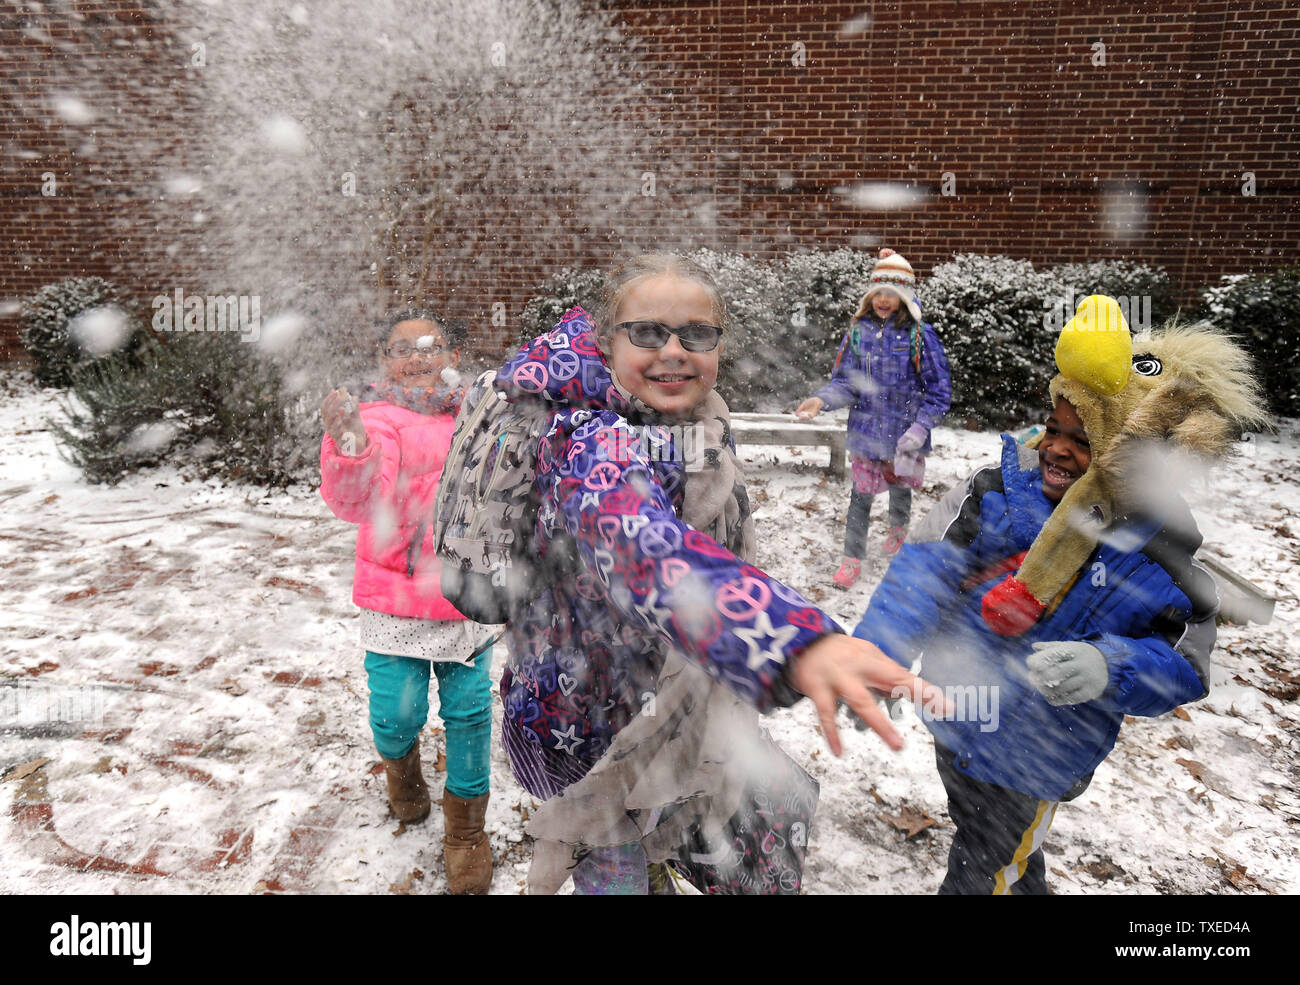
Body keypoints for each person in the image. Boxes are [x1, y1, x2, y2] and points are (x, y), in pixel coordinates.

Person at [493, 253, 942, 894]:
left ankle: (652, 862)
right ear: (605, 342)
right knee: (613, 866)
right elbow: (641, 544)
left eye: (696, 335)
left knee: (675, 838)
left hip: (669, 704)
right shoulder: (585, 437)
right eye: (647, 332)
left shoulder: (702, 423)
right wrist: (790, 640)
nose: (673, 351)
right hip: (585, 726)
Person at [852, 297, 1265, 894]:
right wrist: (878, 653)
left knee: (982, 872)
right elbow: (925, 571)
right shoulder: (996, 492)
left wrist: (1111, 665)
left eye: (1086, 438)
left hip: (1041, 755)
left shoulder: (1161, 547)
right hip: (955, 717)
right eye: (1054, 428)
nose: (1057, 448)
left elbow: (1186, 662)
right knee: (1001, 854)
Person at [319, 311, 494, 895]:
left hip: (468, 590)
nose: (418, 356)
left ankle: (466, 831)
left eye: (431, 345)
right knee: (397, 713)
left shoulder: (482, 412)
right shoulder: (379, 419)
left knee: (469, 714)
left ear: (453, 354)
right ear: (383, 361)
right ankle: (403, 774)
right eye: (402, 348)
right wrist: (352, 448)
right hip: (395, 595)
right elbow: (359, 500)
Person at [796, 249, 951, 589]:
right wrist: (821, 400)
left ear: (905, 297)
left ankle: (898, 533)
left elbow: (939, 392)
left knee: (899, 490)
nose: (883, 300)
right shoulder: (858, 334)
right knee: (860, 499)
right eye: (877, 293)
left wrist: (921, 426)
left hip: (904, 437)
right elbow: (847, 383)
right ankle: (852, 559)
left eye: (892, 294)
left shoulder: (921, 337)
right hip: (867, 434)